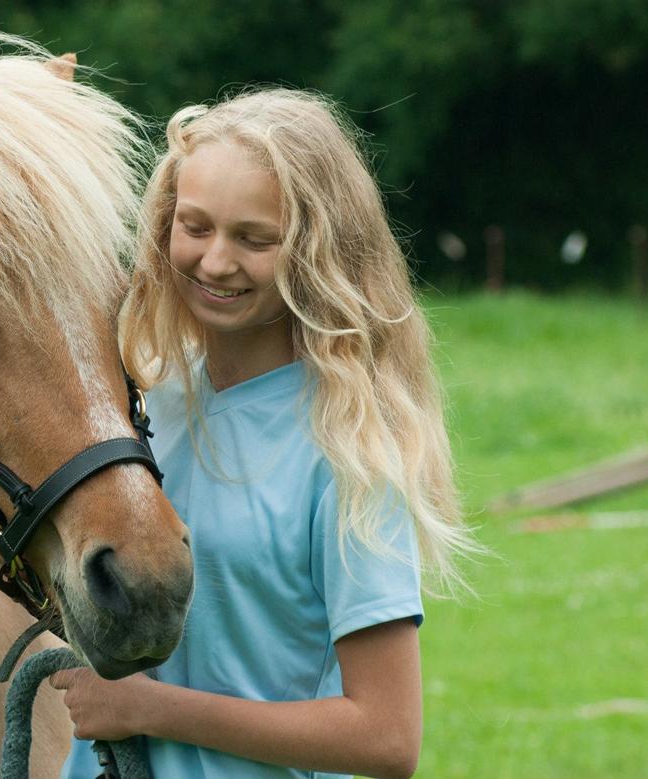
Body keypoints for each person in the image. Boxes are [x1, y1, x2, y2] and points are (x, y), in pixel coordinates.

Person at [51, 88, 477, 779]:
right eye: (195, 226)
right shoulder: (133, 404)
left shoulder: (348, 451)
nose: (216, 262)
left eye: (254, 239)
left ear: (314, 250)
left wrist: (149, 708)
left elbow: (386, 736)